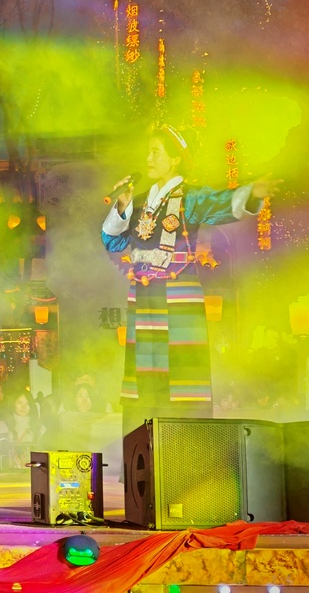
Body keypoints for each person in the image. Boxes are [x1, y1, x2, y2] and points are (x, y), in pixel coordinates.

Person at [102, 125, 280, 435]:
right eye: (148, 152)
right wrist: (122, 205)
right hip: (143, 298)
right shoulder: (139, 202)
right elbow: (112, 242)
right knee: (144, 375)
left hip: (178, 295)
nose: (148, 158)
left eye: (156, 152)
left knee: (182, 375)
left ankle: (185, 448)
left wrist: (251, 194)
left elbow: (221, 203)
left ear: (175, 160)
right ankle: (142, 449)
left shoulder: (191, 198)